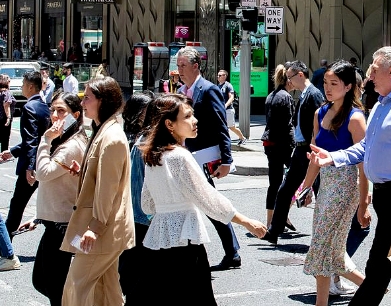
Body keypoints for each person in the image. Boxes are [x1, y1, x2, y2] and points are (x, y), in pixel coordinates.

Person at [307, 46, 391, 306]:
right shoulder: (382, 105)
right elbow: (365, 146)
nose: (369, 73)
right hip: (387, 196)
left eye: (374, 67)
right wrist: (333, 157)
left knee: (390, 266)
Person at [140, 94, 266, 305]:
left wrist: (168, 204)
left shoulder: (154, 155)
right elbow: (208, 198)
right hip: (185, 239)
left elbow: (147, 203)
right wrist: (246, 221)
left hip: (160, 239)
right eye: (188, 116)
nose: (195, 120)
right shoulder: (180, 156)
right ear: (170, 124)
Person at [297, 60, 370, 304]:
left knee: (321, 245)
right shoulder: (320, 112)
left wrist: (363, 203)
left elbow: (363, 165)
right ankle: (373, 288)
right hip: (326, 186)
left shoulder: (355, 118)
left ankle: (321, 303)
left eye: (334, 84)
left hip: (346, 186)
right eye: (326, 83)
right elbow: (315, 158)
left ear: (349, 86)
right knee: (332, 250)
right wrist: (304, 187)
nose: (328, 88)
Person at [60, 76, 135, 306]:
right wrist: (82, 171)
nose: (83, 103)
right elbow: (101, 178)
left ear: (102, 101)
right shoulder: (103, 129)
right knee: (107, 291)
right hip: (107, 230)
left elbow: (108, 189)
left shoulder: (111, 138)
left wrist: (94, 227)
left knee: (76, 286)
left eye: (88, 98)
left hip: (103, 231)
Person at [15, 92, 88, 305]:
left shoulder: (71, 145)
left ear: (75, 115)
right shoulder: (65, 140)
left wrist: (46, 139)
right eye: (53, 110)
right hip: (53, 221)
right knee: (43, 282)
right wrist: (38, 218)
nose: (55, 116)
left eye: (61, 111)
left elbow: (43, 173)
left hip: (62, 225)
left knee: (53, 285)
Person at [176, 47, 242, 271]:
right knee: (202, 204)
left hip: (203, 158)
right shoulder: (180, 91)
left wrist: (226, 160)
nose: (179, 70)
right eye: (178, 65)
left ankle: (232, 252)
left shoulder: (209, 90)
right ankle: (230, 251)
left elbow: (221, 126)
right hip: (185, 157)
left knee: (210, 205)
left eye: (183, 65)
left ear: (196, 66)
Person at [261, 60, 325, 244]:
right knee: (285, 189)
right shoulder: (304, 95)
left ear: (300, 75)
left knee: (319, 190)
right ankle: (274, 230)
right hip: (300, 149)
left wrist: (316, 148)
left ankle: (322, 235)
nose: (289, 82)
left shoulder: (313, 95)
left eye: (290, 77)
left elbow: (320, 125)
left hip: (309, 149)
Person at [1, 72, 51, 236]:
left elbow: (31, 141)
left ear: (30, 86)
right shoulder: (44, 106)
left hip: (32, 165)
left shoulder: (29, 107)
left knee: (17, 206)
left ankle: (5, 249)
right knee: (49, 204)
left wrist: (30, 167)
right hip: (44, 161)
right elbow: (36, 138)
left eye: (23, 84)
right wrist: (13, 151)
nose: (21, 87)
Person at [117, 93, 155, 305]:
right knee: (138, 279)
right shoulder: (140, 142)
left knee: (133, 276)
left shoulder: (137, 139)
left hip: (132, 216)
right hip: (141, 217)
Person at [262, 64, 295, 228]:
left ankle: (270, 221)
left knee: (274, 183)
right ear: (288, 81)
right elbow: (288, 124)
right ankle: (282, 215)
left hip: (270, 142)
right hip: (283, 143)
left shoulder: (271, 95)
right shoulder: (286, 97)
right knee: (295, 179)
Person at [216, 70, 247, 145]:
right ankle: (223, 141)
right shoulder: (218, 86)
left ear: (224, 76)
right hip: (220, 110)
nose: (218, 77)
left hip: (228, 110)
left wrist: (225, 105)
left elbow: (231, 97)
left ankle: (242, 138)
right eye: (218, 75)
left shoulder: (228, 85)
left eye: (220, 75)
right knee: (221, 126)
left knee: (231, 127)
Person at [0, 74, 15, 151]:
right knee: (5, 137)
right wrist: (8, 117)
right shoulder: (7, 92)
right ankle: (3, 153)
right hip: (4, 117)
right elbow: (6, 105)